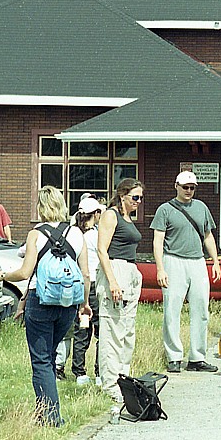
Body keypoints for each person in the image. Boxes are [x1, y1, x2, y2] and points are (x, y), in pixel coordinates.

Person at [0, 186, 90, 427]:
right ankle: (43, 410)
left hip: (41, 301)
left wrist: (1, 276)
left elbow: (25, 272)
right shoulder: (77, 233)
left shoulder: (36, 234)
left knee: (42, 360)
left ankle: (51, 417)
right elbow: (85, 274)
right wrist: (84, 304)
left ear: (41, 208)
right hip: (68, 304)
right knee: (50, 355)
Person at [152, 171, 221, 373]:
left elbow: (208, 236)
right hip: (173, 260)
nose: (189, 191)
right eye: (185, 187)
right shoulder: (165, 209)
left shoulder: (201, 207)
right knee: (172, 310)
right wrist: (160, 268)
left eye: (192, 187)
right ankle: (174, 356)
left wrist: (215, 261)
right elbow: (158, 241)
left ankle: (197, 357)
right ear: (176, 186)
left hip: (197, 261)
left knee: (201, 310)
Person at [96, 179, 144, 423]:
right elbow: (102, 249)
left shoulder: (128, 218)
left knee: (126, 331)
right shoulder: (110, 215)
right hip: (115, 269)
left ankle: (123, 380)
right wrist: (113, 281)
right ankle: (110, 382)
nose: (138, 202)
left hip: (130, 270)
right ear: (123, 195)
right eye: (135, 197)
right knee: (112, 331)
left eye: (140, 198)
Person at [58, 195, 104, 385]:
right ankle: (100, 371)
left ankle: (79, 371)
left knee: (81, 329)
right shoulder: (95, 235)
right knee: (101, 330)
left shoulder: (73, 233)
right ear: (96, 214)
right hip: (93, 285)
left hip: (76, 286)